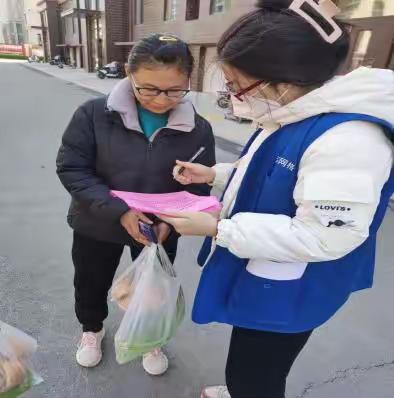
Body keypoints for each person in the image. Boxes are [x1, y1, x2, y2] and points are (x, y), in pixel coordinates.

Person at [162, 1, 394, 397]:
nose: (233, 96)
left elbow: (327, 235)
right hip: (267, 268)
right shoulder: (295, 112)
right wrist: (215, 175)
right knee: (251, 359)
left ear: (281, 80)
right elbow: (273, 175)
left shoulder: (347, 139)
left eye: (236, 86)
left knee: (258, 373)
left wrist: (220, 227)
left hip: (293, 284)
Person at [56, 33, 216, 375]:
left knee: (154, 289)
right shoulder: (94, 115)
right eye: (148, 88)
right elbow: (72, 168)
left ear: (188, 80)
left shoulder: (198, 129)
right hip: (97, 222)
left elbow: (201, 189)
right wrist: (120, 211)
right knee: (90, 281)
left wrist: (170, 224)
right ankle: (92, 329)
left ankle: (149, 336)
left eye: (174, 90)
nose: (161, 100)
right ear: (129, 74)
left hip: (158, 228)